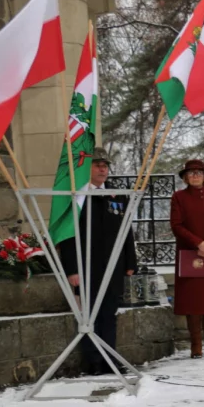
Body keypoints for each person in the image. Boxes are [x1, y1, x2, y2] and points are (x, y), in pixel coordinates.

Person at [58, 147, 136, 375]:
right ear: (88, 168)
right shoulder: (78, 196)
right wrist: (71, 268)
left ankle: (110, 358)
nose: (103, 169)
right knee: (89, 314)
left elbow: (125, 230)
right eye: (98, 165)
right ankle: (93, 360)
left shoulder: (116, 195)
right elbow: (68, 236)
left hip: (112, 264)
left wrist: (130, 262)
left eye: (105, 166)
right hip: (86, 266)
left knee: (109, 314)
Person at [170, 159, 204, 359]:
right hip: (189, 255)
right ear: (185, 177)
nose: (195, 176)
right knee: (192, 303)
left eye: (199, 173)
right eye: (191, 173)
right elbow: (176, 225)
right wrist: (197, 243)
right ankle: (195, 345)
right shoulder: (178, 197)